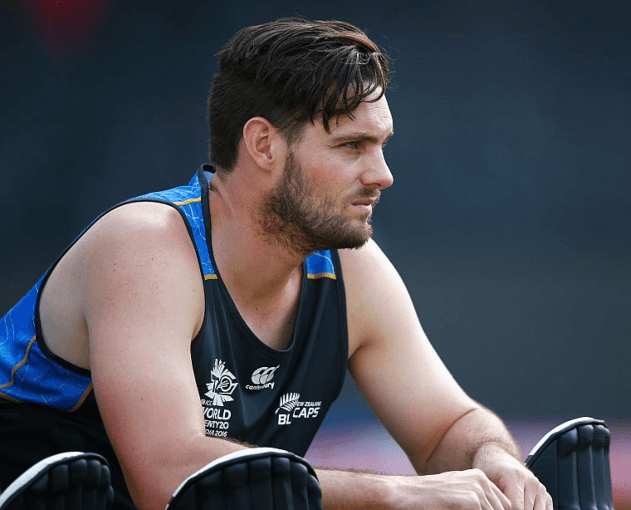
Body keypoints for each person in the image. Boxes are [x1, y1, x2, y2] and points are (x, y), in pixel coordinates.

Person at [0, 17, 553, 510]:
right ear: (264, 145)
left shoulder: (348, 270)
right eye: (351, 146)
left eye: (381, 145)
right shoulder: (145, 247)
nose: (382, 174)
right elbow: (167, 481)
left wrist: (491, 458)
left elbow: (447, 428)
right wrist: (393, 492)